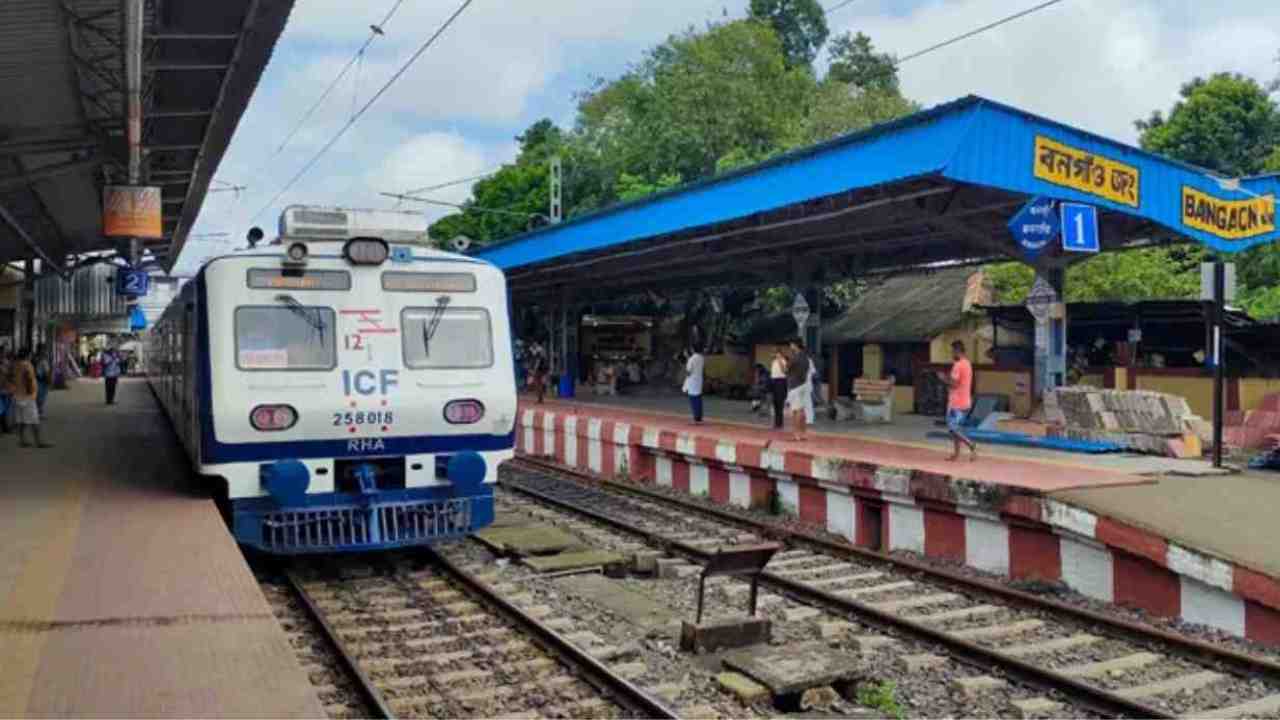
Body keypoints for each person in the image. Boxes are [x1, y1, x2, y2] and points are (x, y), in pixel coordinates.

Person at [937, 340, 977, 462]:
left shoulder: (958, 365)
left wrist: (943, 378)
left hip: (957, 403)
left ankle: (971, 444)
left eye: (952, 351)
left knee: (952, 428)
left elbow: (954, 384)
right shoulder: (967, 363)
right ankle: (956, 453)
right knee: (955, 429)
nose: (951, 354)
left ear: (957, 351)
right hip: (965, 401)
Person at [9, 348, 51, 448]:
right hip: (27, 397)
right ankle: (39, 441)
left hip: (16, 396)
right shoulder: (27, 365)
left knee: (21, 420)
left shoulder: (14, 365)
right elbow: (29, 379)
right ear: (28, 355)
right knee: (34, 420)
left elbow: (10, 378)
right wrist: (31, 392)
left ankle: (22, 440)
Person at [786, 339, 812, 441]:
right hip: (803, 385)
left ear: (795, 345)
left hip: (795, 385)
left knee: (795, 411)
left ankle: (796, 435)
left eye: (791, 345)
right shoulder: (806, 357)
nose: (790, 346)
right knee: (802, 410)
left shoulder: (794, 357)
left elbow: (786, 369)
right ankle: (803, 434)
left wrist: (781, 360)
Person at [682, 344, 705, 424]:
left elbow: (688, 372)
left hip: (692, 381)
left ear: (693, 349)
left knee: (693, 400)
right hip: (699, 380)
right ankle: (699, 417)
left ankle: (696, 418)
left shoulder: (691, 359)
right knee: (698, 399)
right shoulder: (701, 358)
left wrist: (687, 358)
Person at [769, 348, 788, 430]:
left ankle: (780, 423)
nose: (776, 355)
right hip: (774, 381)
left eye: (778, 353)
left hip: (781, 381)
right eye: (775, 353)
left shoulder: (783, 361)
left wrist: (780, 360)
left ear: (781, 354)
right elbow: (773, 373)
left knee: (780, 402)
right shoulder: (773, 362)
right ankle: (776, 423)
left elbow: (784, 371)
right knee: (775, 403)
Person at [34, 344, 50, 417]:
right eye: (43, 349)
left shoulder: (42, 358)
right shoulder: (38, 359)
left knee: (42, 397)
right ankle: (38, 412)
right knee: (40, 397)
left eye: (45, 349)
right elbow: (41, 370)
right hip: (40, 379)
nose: (45, 351)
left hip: (42, 379)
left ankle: (39, 412)